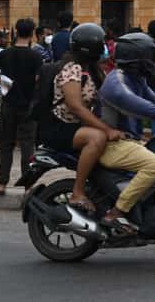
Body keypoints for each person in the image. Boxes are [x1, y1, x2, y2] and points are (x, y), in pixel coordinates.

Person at [98, 32, 155, 233]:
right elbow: (139, 105)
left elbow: (154, 99)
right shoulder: (117, 82)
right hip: (111, 144)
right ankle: (116, 213)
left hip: (128, 141)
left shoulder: (136, 79)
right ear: (135, 57)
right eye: (149, 56)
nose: (152, 61)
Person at [37, 23, 122, 215]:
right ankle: (78, 191)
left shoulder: (93, 70)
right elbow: (75, 106)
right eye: (102, 45)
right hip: (60, 128)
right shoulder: (72, 69)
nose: (105, 49)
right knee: (97, 138)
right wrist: (107, 130)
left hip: (75, 127)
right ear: (91, 48)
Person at [0, 19, 43, 195]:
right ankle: (28, 185)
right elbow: (39, 79)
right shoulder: (35, 56)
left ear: (16, 31)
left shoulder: (6, 54)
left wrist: (1, 80)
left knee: (6, 145)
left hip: (8, 103)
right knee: (27, 147)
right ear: (32, 33)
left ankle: (2, 183)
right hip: (28, 105)